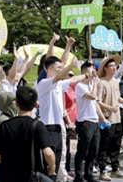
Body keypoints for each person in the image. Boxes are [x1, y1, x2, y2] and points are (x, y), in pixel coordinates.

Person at [37, 37, 83, 176]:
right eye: (59, 68)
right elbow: (59, 74)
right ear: (49, 68)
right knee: (47, 163)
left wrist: (87, 75)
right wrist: (70, 66)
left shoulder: (59, 84)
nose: (61, 70)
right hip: (47, 127)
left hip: (58, 126)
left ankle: (56, 177)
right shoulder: (44, 83)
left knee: (57, 160)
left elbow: (72, 79)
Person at [0, 86, 56, 182]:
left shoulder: (5, 125)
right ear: (35, 105)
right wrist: (52, 168)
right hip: (31, 177)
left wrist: (8, 163)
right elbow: (48, 153)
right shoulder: (37, 126)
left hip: (9, 176)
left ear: (16, 103)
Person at [97, 54, 123, 180]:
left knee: (116, 144)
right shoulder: (101, 83)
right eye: (111, 66)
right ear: (105, 68)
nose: (114, 68)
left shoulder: (115, 82)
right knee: (104, 145)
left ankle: (115, 168)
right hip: (106, 119)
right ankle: (103, 170)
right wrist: (109, 108)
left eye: (115, 66)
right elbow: (97, 101)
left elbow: (117, 97)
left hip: (117, 118)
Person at [74, 62, 105, 182]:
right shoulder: (80, 86)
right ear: (83, 73)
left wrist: (102, 117)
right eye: (91, 71)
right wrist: (95, 83)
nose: (93, 73)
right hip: (84, 121)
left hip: (94, 121)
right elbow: (92, 97)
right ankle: (79, 175)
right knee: (83, 150)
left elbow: (95, 102)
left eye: (94, 71)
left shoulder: (92, 84)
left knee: (94, 149)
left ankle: (89, 174)